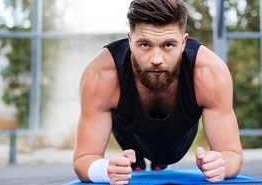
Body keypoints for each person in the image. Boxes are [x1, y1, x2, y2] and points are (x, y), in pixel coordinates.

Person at [73, 0, 243, 184]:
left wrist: (220, 164)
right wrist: (104, 170)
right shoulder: (102, 75)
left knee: (164, 157)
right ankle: (134, 158)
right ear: (130, 40)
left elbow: (232, 153)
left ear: (184, 42)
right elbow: (84, 158)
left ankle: (156, 161)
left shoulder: (209, 73)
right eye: (145, 44)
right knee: (118, 112)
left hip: (176, 138)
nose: (156, 59)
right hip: (128, 130)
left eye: (168, 45)